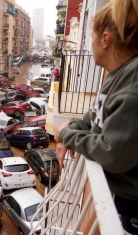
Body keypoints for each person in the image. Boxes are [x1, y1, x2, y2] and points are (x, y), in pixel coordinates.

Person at [54, 1, 138, 234]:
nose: (89, 44)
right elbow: (95, 114)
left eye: (92, 36)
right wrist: (72, 128)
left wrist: (67, 135)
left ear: (105, 39)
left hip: (132, 208)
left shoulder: (132, 82)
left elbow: (112, 152)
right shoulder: (118, 74)